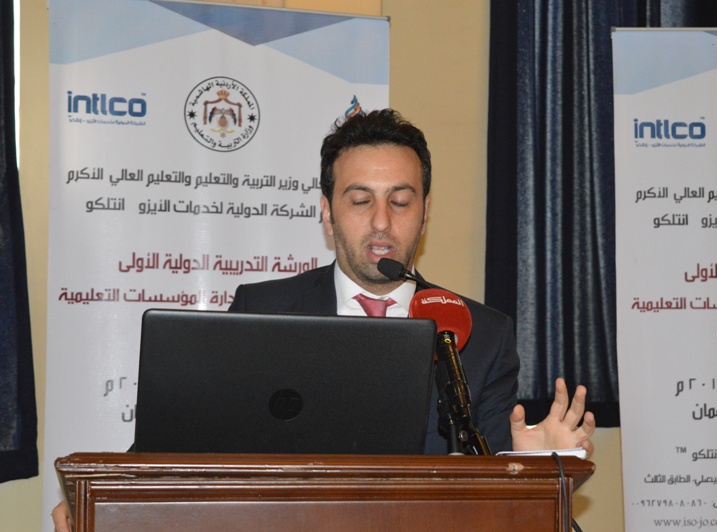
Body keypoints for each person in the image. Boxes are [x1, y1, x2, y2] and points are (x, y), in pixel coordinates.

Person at [53, 109, 594, 530]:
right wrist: (98, 503)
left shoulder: (480, 333)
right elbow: (174, 446)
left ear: (425, 210)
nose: (381, 222)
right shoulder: (262, 312)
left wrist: (535, 469)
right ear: (327, 212)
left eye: (401, 201)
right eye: (360, 201)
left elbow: (493, 493)